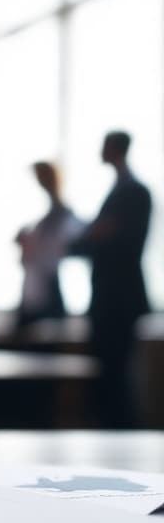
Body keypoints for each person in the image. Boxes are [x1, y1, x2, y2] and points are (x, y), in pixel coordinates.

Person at [69, 131, 153, 428]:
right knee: (107, 374)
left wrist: (96, 236)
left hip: (119, 300)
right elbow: (85, 241)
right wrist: (94, 235)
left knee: (116, 375)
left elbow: (121, 244)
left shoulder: (134, 192)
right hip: (107, 299)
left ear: (115, 149)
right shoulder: (120, 191)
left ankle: (121, 431)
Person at [15, 162, 84, 331]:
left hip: (48, 287)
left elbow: (67, 243)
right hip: (33, 287)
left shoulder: (62, 213)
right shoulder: (42, 216)